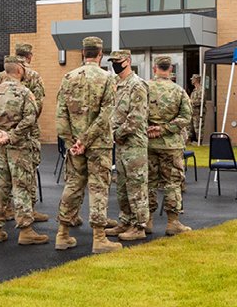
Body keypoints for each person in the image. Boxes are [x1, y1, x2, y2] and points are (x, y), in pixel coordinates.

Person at [55, 35, 120, 253]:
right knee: (99, 187)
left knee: (73, 185)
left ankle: (62, 234)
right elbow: (106, 114)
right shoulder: (108, 78)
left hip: (75, 144)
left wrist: (72, 141)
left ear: (84, 53)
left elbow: (61, 114)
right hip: (98, 144)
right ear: (100, 54)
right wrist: (86, 140)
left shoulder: (69, 77)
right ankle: (99, 238)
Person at [0, 55, 46, 245]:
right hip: (19, 147)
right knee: (22, 186)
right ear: (19, 70)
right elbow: (30, 118)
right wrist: (13, 136)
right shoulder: (25, 92)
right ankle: (25, 230)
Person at [146, 55, 193, 235]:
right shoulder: (178, 91)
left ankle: (147, 220)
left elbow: (135, 112)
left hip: (149, 143)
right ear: (170, 70)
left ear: (154, 68)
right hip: (171, 144)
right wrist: (165, 128)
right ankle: (173, 222)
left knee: (149, 182)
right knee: (172, 182)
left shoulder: (144, 89)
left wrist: (149, 129)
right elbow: (186, 117)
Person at [107, 49, 149, 242]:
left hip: (134, 144)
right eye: (113, 61)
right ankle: (125, 221)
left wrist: (117, 133)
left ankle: (139, 225)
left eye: (119, 61)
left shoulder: (137, 85)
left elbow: (136, 118)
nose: (116, 64)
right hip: (121, 144)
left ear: (128, 61)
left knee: (136, 184)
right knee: (122, 185)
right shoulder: (117, 84)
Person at [12, 43, 48, 224]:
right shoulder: (33, 76)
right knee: (29, 169)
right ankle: (29, 210)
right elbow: (38, 105)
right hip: (28, 132)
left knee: (4, 172)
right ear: (30, 56)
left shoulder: (5, 75)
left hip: (6, 132)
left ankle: (5, 210)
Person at [189, 74, 206, 144]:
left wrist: (191, 102)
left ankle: (199, 142)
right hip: (192, 112)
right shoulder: (194, 90)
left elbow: (201, 101)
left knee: (198, 128)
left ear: (196, 80)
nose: (192, 81)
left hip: (198, 113)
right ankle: (190, 141)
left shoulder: (201, 90)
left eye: (193, 79)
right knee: (190, 127)